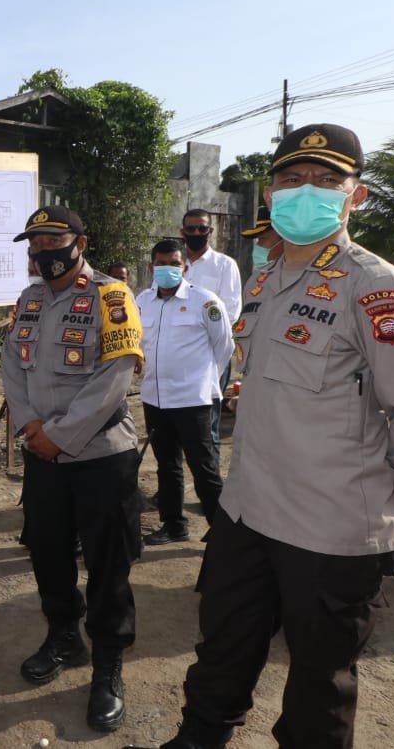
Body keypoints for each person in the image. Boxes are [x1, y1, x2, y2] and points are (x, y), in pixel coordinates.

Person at [161, 123, 394, 749]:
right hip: (247, 511)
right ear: (270, 194)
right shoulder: (263, 280)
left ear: (357, 196)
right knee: (221, 650)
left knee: (319, 686)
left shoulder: (378, 287)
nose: (306, 191)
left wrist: (379, 519)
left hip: (331, 529)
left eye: (327, 180)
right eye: (292, 180)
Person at [2, 205, 145, 733]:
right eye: (35, 244)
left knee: (108, 565)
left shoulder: (112, 296)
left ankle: (108, 665)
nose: (44, 252)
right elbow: (11, 366)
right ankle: (64, 637)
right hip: (42, 455)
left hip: (101, 456)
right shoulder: (29, 300)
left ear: (79, 243)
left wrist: (58, 436)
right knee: (49, 552)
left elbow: (115, 376)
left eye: (53, 241)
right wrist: (29, 426)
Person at [135, 239, 233, 546]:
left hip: (192, 400)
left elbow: (224, 346)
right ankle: (174, 525)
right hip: (155, 397)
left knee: (204, 467)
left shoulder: (205, 301)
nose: (168, 269)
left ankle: (223, 533)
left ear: (185, 268)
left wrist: (202, 380)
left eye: (174, 264)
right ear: (151, 267)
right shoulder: (142, 301)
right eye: (161, 264)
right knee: (167, 466)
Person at [181, 208, 243, 460]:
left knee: (208, 422)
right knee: (175, 419)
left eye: (202, 228)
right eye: (191, 228)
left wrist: (197, 337)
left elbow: (230, 312)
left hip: (211, 353)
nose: (196, 233)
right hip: (176, 353)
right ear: (182, 232)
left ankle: (210, 482)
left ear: (210, 231)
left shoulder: (224, 265)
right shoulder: (173, 264)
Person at [240, 205, 283, 270]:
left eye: (262, 239)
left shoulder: (298, 275)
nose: (258, 245)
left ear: (284, 238)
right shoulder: (259, 275)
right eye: (257, 240)